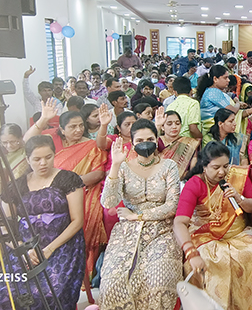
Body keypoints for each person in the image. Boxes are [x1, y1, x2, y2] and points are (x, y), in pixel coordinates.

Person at [0, 135, 86, 309]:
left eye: (48, 157)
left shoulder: (68, 179)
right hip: (24, 247)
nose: (43, 163)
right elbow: (4, 225)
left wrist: (49, 249)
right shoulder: (17, 185)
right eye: (37, 159)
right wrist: (21, 249)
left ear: (54, 154)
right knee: (8, 294)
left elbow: (77, 221)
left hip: (61, 245)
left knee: (51, 292)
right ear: (27, 159)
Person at [98, 120, 182, 310]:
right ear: (133, 142)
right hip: (127, 232)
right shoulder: (125, 168)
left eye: (150, 139)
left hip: (163, 229)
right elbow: (108, 202)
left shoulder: (169, 166)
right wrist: (116, 165)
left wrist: (138, 216)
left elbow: (171, 206)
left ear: (157, 139)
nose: (146, 143)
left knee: (158, 280)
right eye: (140, 140)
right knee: (112, 283)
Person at [23, 101, 107, 288]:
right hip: (45, 194)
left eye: (80, 126)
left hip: (78, 191)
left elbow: (98, 173)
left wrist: (66, 185)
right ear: (61, 128)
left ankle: (84, 268)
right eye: (72, 127)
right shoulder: (51, 141)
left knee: (88, 214)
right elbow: (28, 141)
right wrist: (44, 118)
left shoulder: (90, 145)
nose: (78, 130)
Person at [173, 142, 252, 309]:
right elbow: (180, 222)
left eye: (225, 166)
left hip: (238, 233)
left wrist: (239, 198)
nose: (222, 172)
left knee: (247, 254)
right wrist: (191, 252)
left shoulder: (238, 176)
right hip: (206, 234)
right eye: (215, 167)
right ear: (204, 166)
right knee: (209, 259)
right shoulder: (195, 183)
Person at [198, 65, 252, 142]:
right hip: (214, 135)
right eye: (225, 78)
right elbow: (233, 111)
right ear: (215, 79)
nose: (228, 80)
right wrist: (238, 103)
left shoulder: (214, 91)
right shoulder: (213, 92)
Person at [153, 110, 200, 180]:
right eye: (169, 124)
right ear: (163, 127)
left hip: (181, 182)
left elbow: (193, 168)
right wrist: (157, 126)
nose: (174, 127)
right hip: (157, 180)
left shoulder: (190, 143)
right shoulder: (157, 141)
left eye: (177, 123)